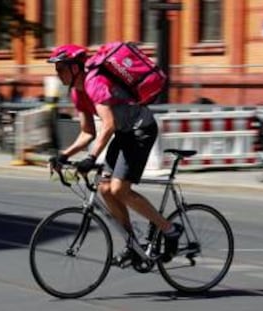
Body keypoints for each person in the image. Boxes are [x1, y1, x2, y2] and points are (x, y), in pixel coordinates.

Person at [47, 44, 183, 265]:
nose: (58, 74)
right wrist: (64, 155)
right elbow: (88, 132)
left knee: (119, 188)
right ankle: (134, 244)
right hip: (123, 133)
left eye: (61, 68)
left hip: (140, 130)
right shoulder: (77, 92)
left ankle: (170, 230)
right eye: (57, 69)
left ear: (75, 68)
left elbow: (108, 125)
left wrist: (91, 158)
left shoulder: (94, 82)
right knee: (104, 188)